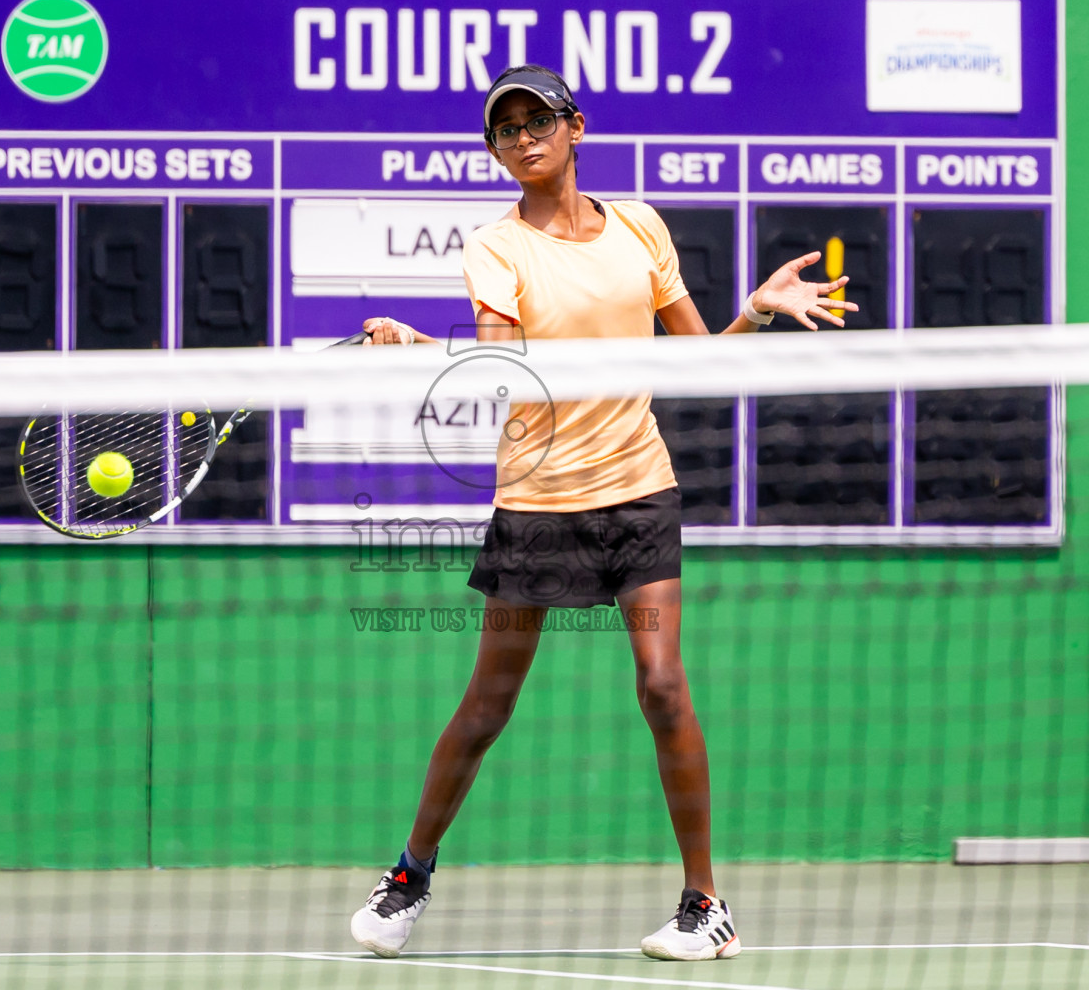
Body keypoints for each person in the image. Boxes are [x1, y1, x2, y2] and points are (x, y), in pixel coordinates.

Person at [350, 64, 856, 962]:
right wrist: (427, 347)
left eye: (536, 120)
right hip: (538, 503)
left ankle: (706, 905)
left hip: (638, 493)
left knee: (663, 687)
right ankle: (408, 876)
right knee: (488, 704)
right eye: (503, 129)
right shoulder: (495, 247)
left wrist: (755, 311)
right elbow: (504, 365)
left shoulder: (640, 228)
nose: (521, 138)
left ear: (575, 128)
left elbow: (696, 364)